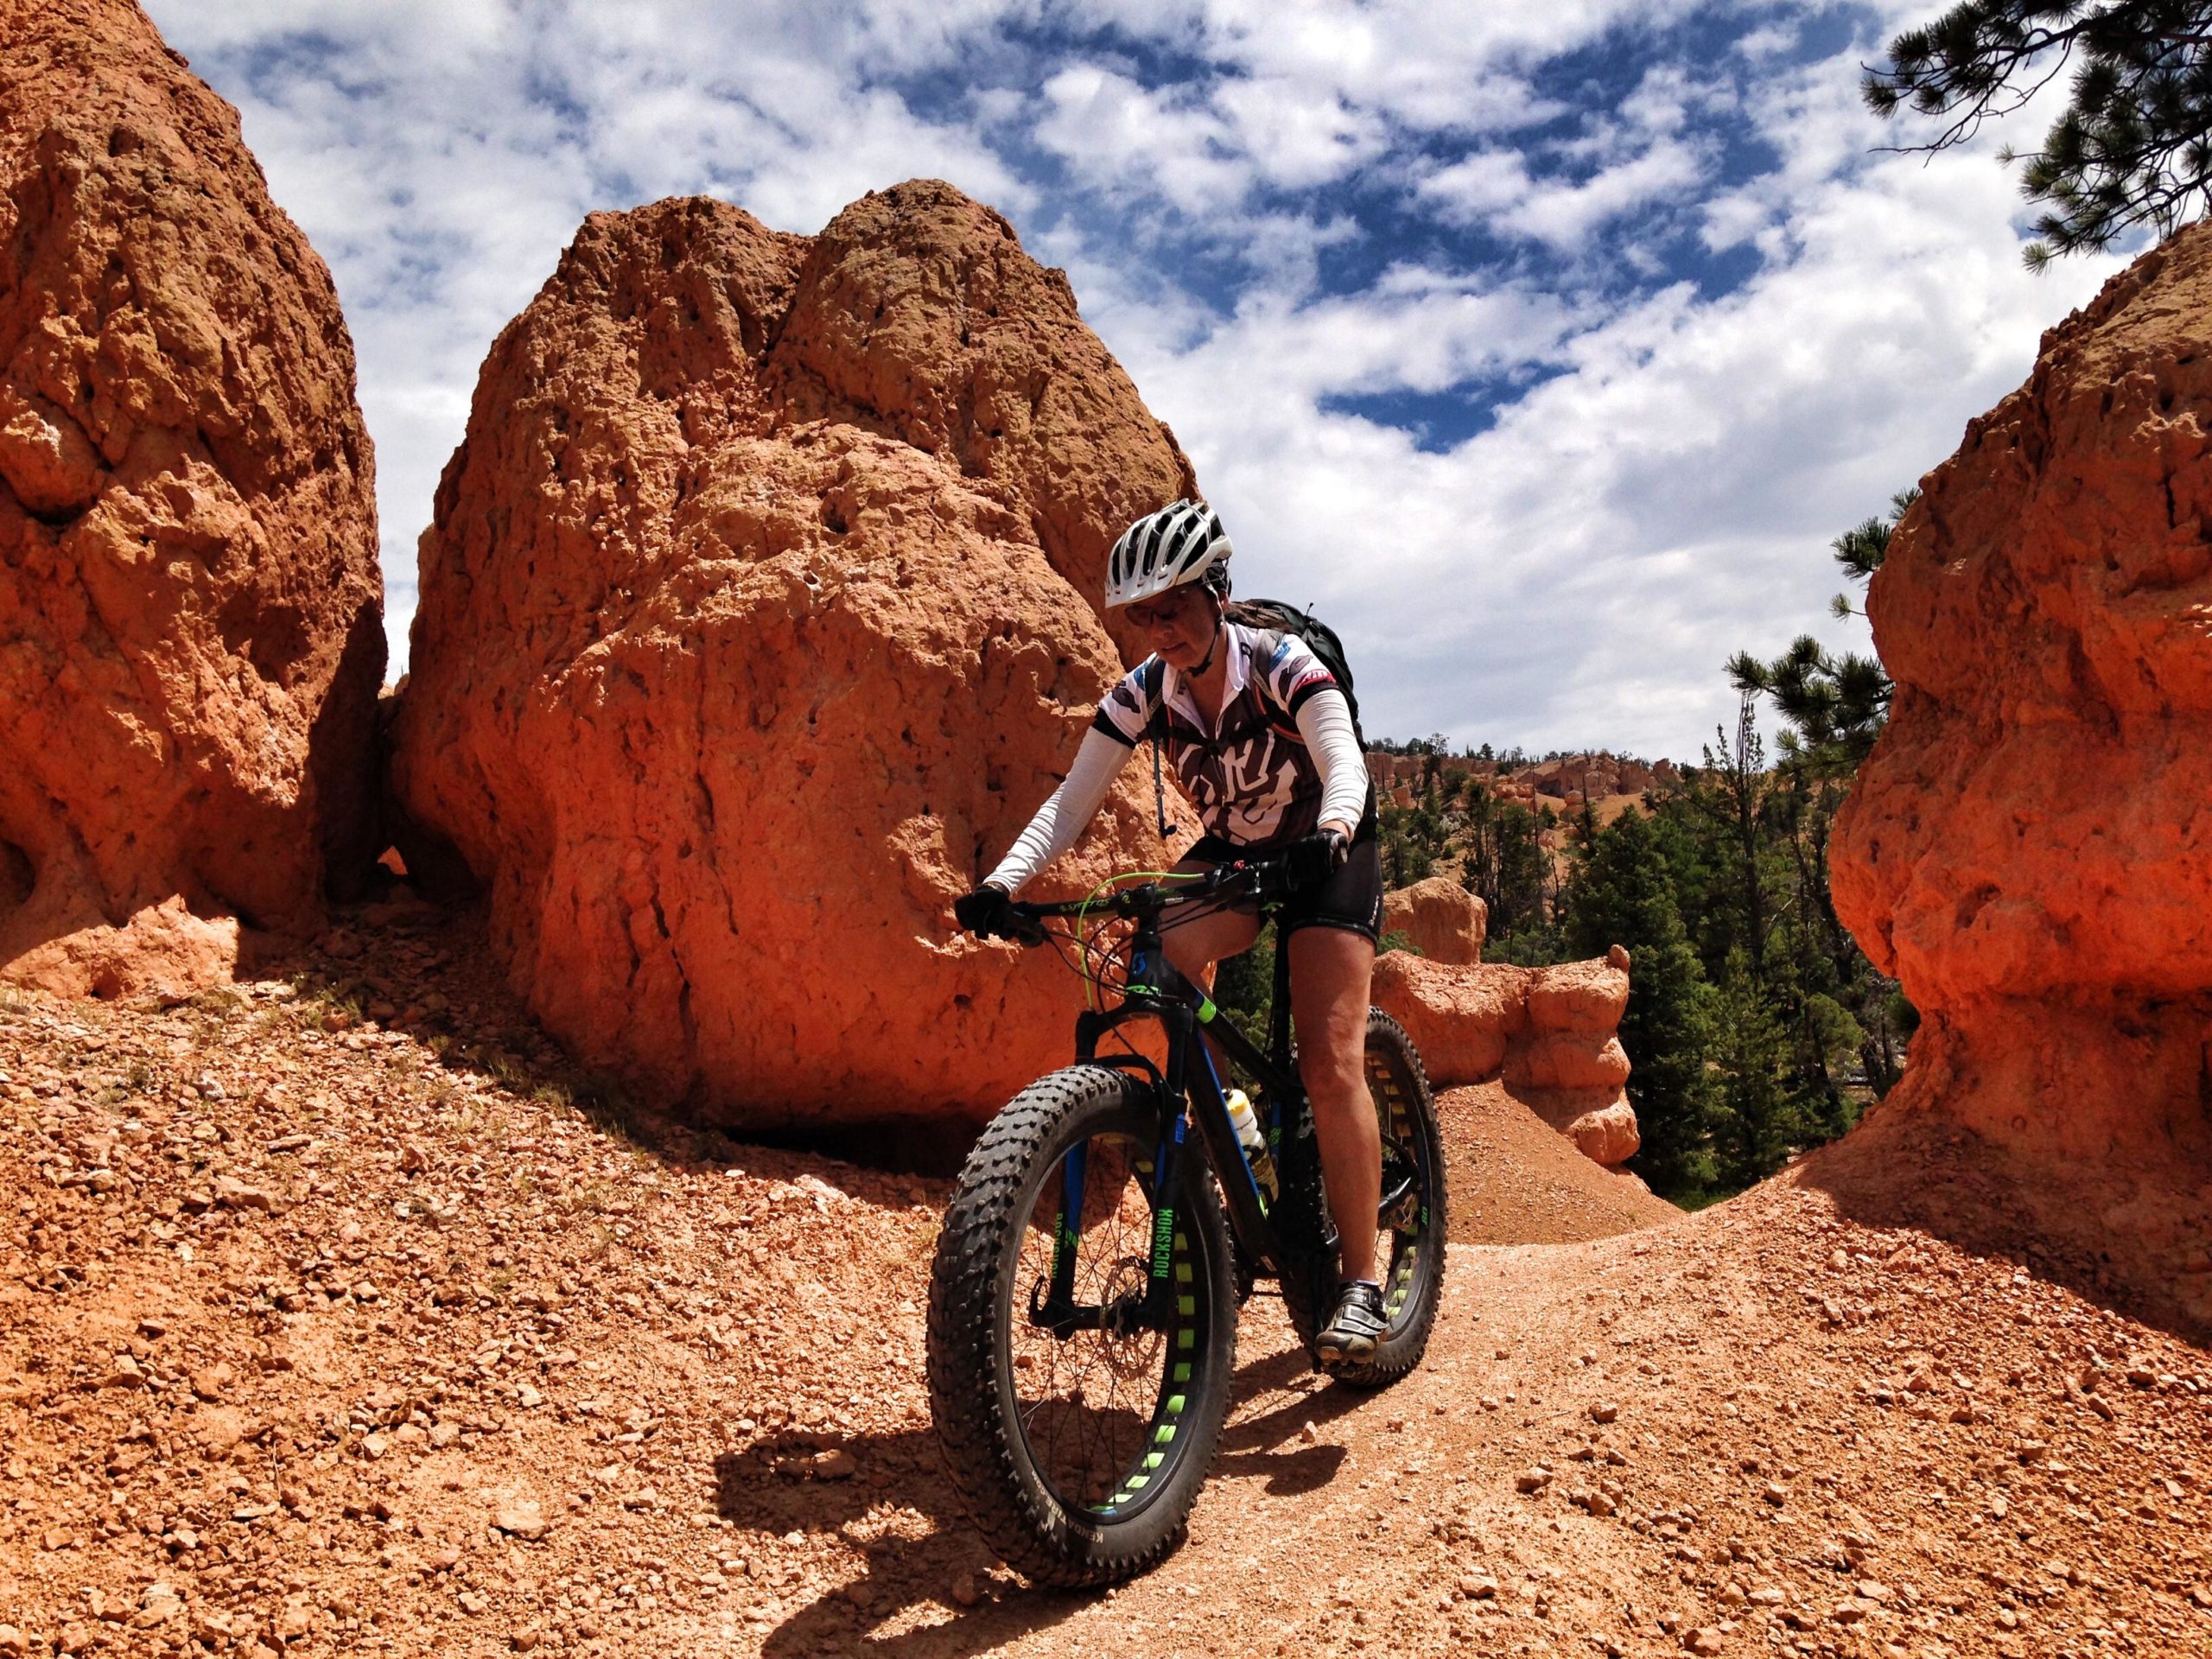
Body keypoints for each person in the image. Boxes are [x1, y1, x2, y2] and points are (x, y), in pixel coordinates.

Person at [955, 499, 1389, 1363]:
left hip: (1323, 849)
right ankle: (1238, 1137)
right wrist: (1003, 883)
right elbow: (1068, 804)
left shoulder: (1279, 664)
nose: (1161, 629)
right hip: (1235, 847)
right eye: (1143, 615)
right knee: (1158, 951)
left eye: (1175, 607)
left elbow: (1343, 765)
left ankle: (1363, 1285)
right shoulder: (1144, 691)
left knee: (1328, 1058)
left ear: (1216, 594)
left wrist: (1332, 834)